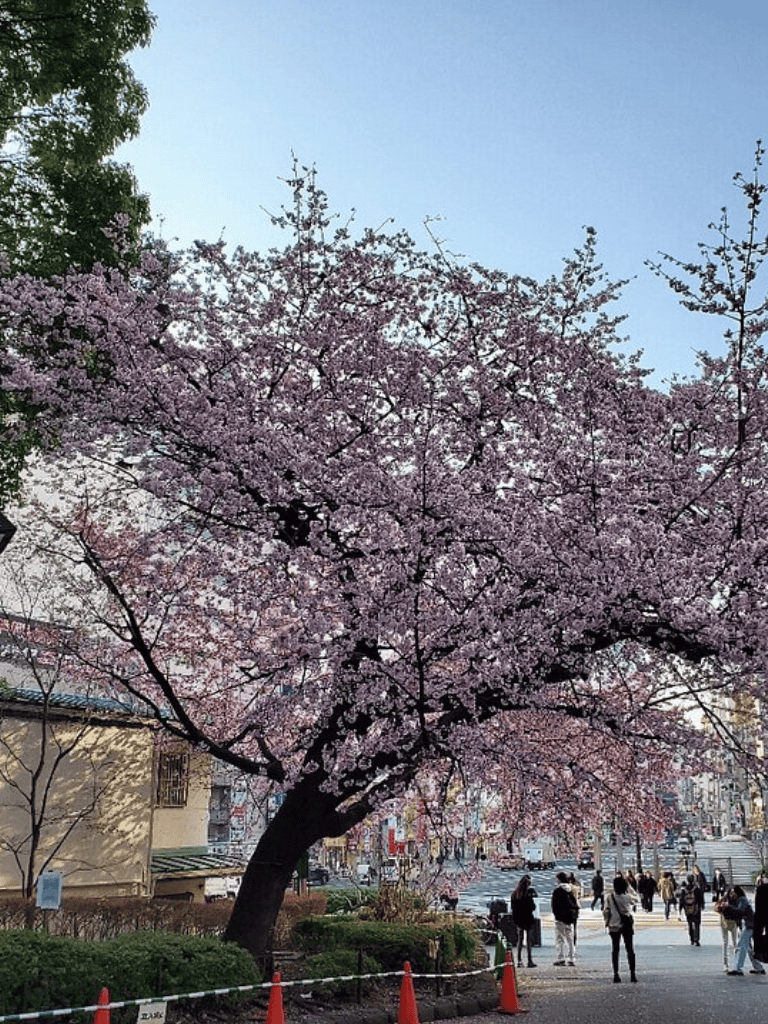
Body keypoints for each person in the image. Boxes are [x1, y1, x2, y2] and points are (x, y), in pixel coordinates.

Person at [603, 874, 638, 983]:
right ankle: (632, 974)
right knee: (630, 949)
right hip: (626, 925)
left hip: (614, 925)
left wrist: (607, 921)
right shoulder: (627, 897)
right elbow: (636, 898)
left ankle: (616, 974)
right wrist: (629, 886)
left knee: (615, 950)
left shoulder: (610, 897)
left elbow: (606, 911)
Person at [727, 885, 766, 976]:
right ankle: (759, 967)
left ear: (737, 893)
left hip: (749, 925)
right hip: (751, 925)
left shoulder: (742, 900)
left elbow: (739, 912)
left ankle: (738, 968)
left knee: (741, 947)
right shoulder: (741, 900)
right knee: (749, 948)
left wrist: (728, 907)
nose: (732, 894)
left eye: (733, 892)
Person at [551, 870, 579, 966]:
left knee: (560, 938)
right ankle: (571, 958)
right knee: (570, 939)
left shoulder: (557, 891)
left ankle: (561, 958)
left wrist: (556, 915)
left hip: (560, 918)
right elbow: (575, 904)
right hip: (569, 918)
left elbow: (554, 905)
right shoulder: (570, 890)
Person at [510, 874, 538, 968]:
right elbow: (532, 907)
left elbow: (512, 908)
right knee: (529, 940)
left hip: (518, 919)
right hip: (528, 919)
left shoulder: (515, 894)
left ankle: (519, 961)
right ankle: (529, 960)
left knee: (520, 940)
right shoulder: (528, 894)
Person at [715, 889, 740, 972]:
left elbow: (716, 908)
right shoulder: (734, 901)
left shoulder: (724, 900)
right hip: (731, 923)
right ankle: (733, 963)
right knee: (733, 943)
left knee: (727, 942)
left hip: (725, 923)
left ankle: (727, 964)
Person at [681, 873, 704, 945]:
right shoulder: (697, 889)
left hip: (687, 908)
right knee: (697, 924)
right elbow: (701, 898)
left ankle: (691, 939)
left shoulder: (684, 890)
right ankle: (697, 939)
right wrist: (702, 905)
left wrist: (680, 908)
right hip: (696, 908)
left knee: (690, 924)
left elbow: (681, 900)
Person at [754, 872, 768, 965]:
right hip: (763, 915)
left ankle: (760, 953)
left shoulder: (760, 889)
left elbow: (757, 904)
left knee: (759, 933)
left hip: (762, 915)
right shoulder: (761, 889)